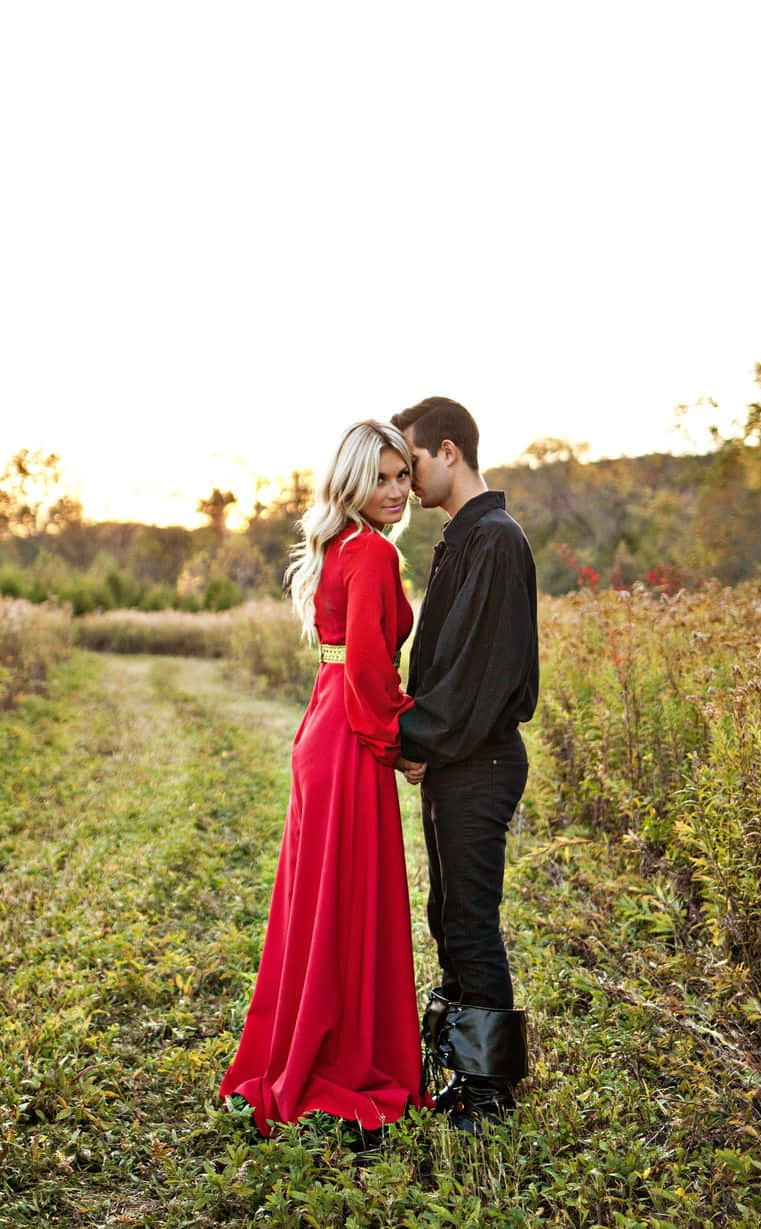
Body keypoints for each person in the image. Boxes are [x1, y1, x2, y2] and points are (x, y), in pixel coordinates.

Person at [219, 420, 429, 1138]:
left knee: (323, 900)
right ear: (352, 482)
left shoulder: (341, 547)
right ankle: (336, 1057)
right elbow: (370, 667)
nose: (397, 491)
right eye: (382, 478)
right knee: (347, 899)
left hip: (323, 726)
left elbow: (350, 658)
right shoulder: (369, 553)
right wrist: (398, 742)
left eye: (403, 476)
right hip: (350, 736)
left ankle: (306, 1043)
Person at [390, 396, 539, 1133]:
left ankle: (492, 1090)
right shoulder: (461, 538)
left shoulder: (496, 540)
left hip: (480, 759)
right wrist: (422, 740)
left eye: (410, 462)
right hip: (457, 758)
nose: (404, 480)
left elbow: (480, 674)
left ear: (448, 451)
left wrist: (417, 737)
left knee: (473, 922)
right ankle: (463, 1070)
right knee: (446, 915)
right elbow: (442, 661)